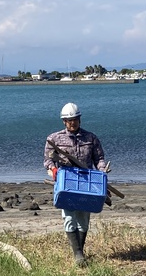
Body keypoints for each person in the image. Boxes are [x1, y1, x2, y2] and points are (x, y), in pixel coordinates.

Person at [44, 102, 109, 267]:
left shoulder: (91, 138)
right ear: (64, 122)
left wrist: (102, 170)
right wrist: (52, 169)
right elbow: (48, 160)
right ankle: (78, 254)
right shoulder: (54, 139)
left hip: (87, 182)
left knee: (83, 219)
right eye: (68, 120)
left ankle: (81, 250)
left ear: (79, 119)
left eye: (74, 119)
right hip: (66, 182)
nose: (72, 123)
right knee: (69, 217)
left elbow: (99, 158)